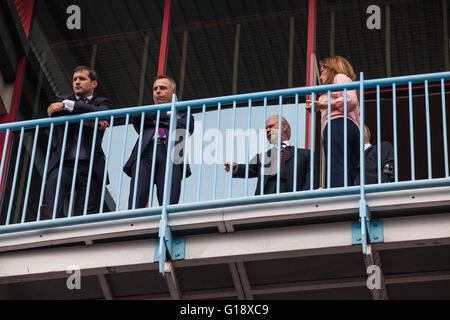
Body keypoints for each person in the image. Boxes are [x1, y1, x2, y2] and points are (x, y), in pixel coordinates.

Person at [42, 66, 112, 219]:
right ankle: (54, 220)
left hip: (90, 164)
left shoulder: (102, 102)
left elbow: (103, 114)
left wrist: (70, 107)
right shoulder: (62, 99)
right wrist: (89, 122)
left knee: (86, 208)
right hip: (64, 162)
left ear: (93, 84)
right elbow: (55, 113)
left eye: (82, 79)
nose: (77, 82)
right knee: (55, 180)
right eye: (75, 79)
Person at [123, 75, 194, 208]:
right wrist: (168, 115)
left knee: (169, 203)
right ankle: (133, 226)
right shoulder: (144, 112)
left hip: (171, 156)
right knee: (136, 200)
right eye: (155, 89)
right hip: (145, 154)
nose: (158, 91)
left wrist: (155, 118)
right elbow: (138, 120)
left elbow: (183, 129)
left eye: (162, 88)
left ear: (173, 92)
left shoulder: (185, 114)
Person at [224, 116, 318, 195]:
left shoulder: (305, 155)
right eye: (266, 128)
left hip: (292, 195)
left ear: (284, 126)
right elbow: (249, 169)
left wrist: (303, 198)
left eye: (271, 126)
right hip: (267, 196)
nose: (267, 130)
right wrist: (235, 167)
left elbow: (311, 180)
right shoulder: (262, 157)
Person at [306, 56, 360, 188]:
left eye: (323, 70)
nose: (320, 77)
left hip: (338, 124)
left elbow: (350, 100)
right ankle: (348, 193)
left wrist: (322, 105)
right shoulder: (338, 84)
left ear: (332, 69)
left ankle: (340, 194)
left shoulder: (339, 77)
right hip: (348, 127)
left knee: (337, 163)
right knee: (348, 166)